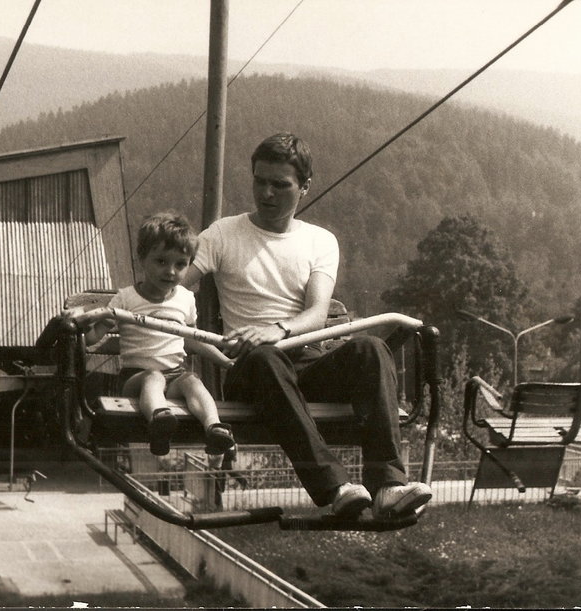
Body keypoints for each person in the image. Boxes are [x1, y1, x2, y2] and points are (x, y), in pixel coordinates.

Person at [184, 132, 432, 519]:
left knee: (371, 348)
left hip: (303, 363)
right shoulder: (222, 234)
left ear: (304, 187)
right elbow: (169, 285)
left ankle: (387, 486)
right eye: (259, 181)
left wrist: (280, 329)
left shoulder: (320, 241)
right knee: (266, 357)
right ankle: (335, 488)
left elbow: (317, 312)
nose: (266, 194)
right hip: (252, 370)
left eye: (280, 185)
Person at [72, 212, 236, 457]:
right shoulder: (126, 299)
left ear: (189, 264)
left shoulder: (186, 299)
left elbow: (192, 339)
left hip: (175, 375)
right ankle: (159, 422)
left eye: (180, 264)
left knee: (192, 380)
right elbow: (95, 338)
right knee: (153, 377)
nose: (170, 271)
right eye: (161, 261)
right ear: (142, 259)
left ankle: (214, 428)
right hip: (136, 379)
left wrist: (224, 360)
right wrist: (79, 326)